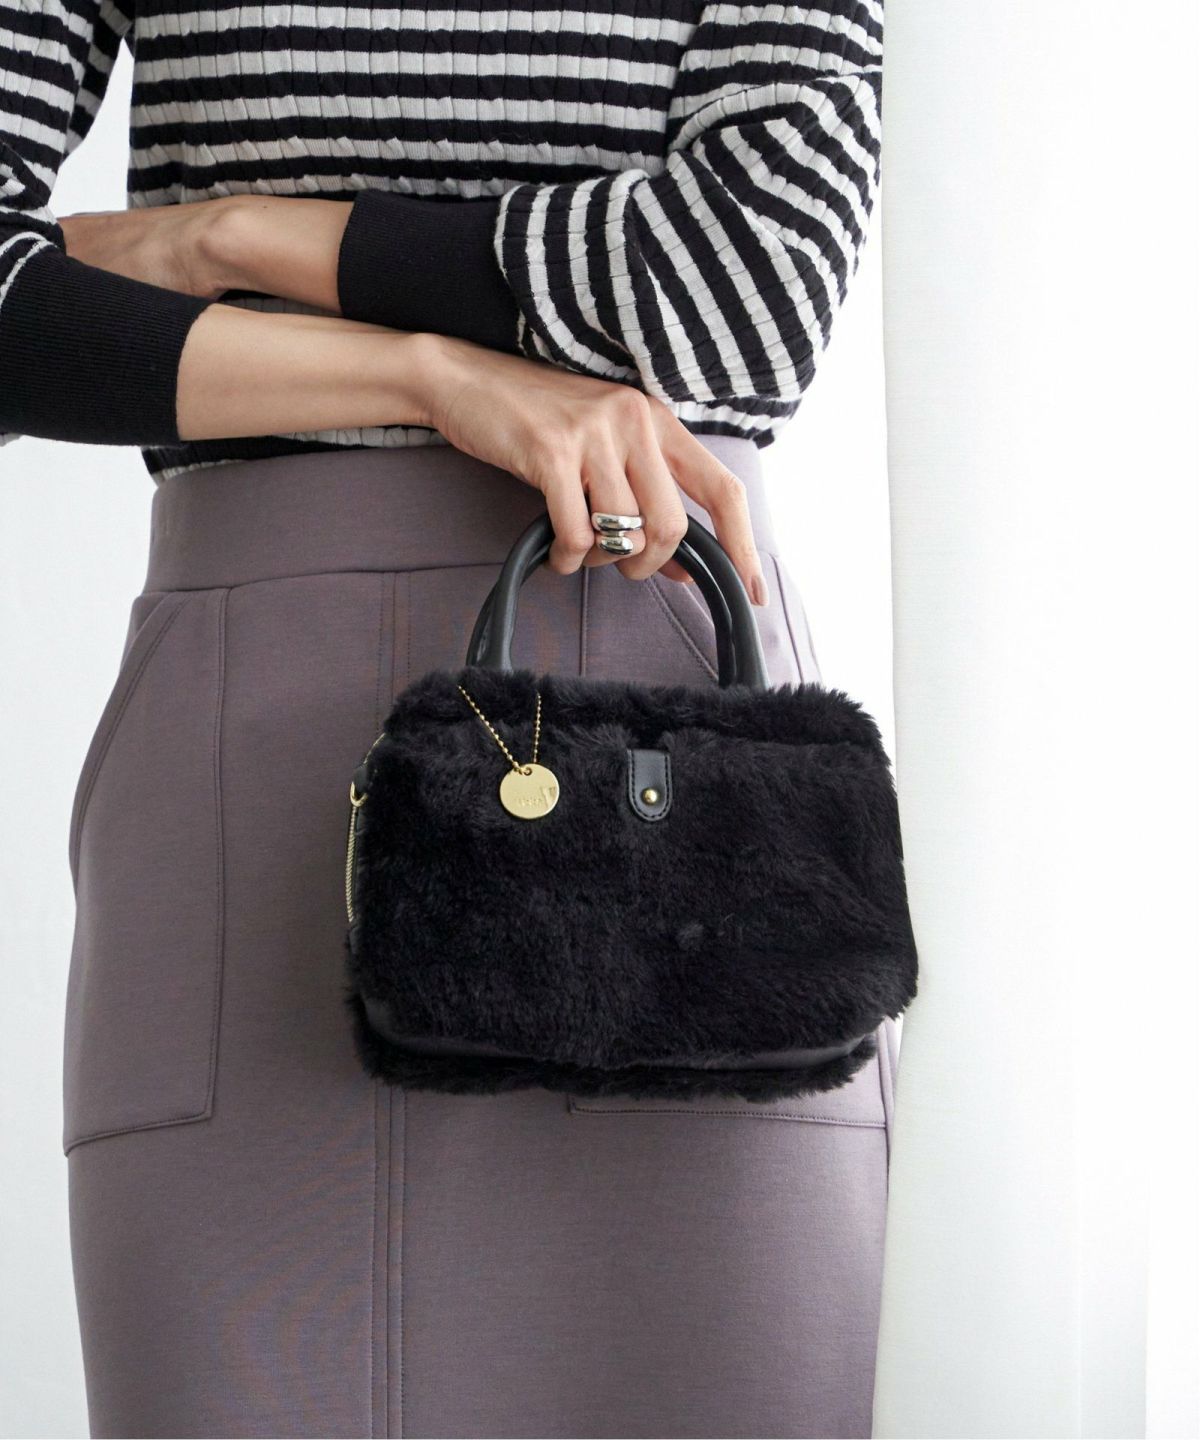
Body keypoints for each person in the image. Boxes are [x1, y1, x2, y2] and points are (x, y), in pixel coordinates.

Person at [0, 2, 897, 1434]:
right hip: (261, 774)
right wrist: (438, 374)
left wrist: (235, 237)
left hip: (678, 769)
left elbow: (751, 284)